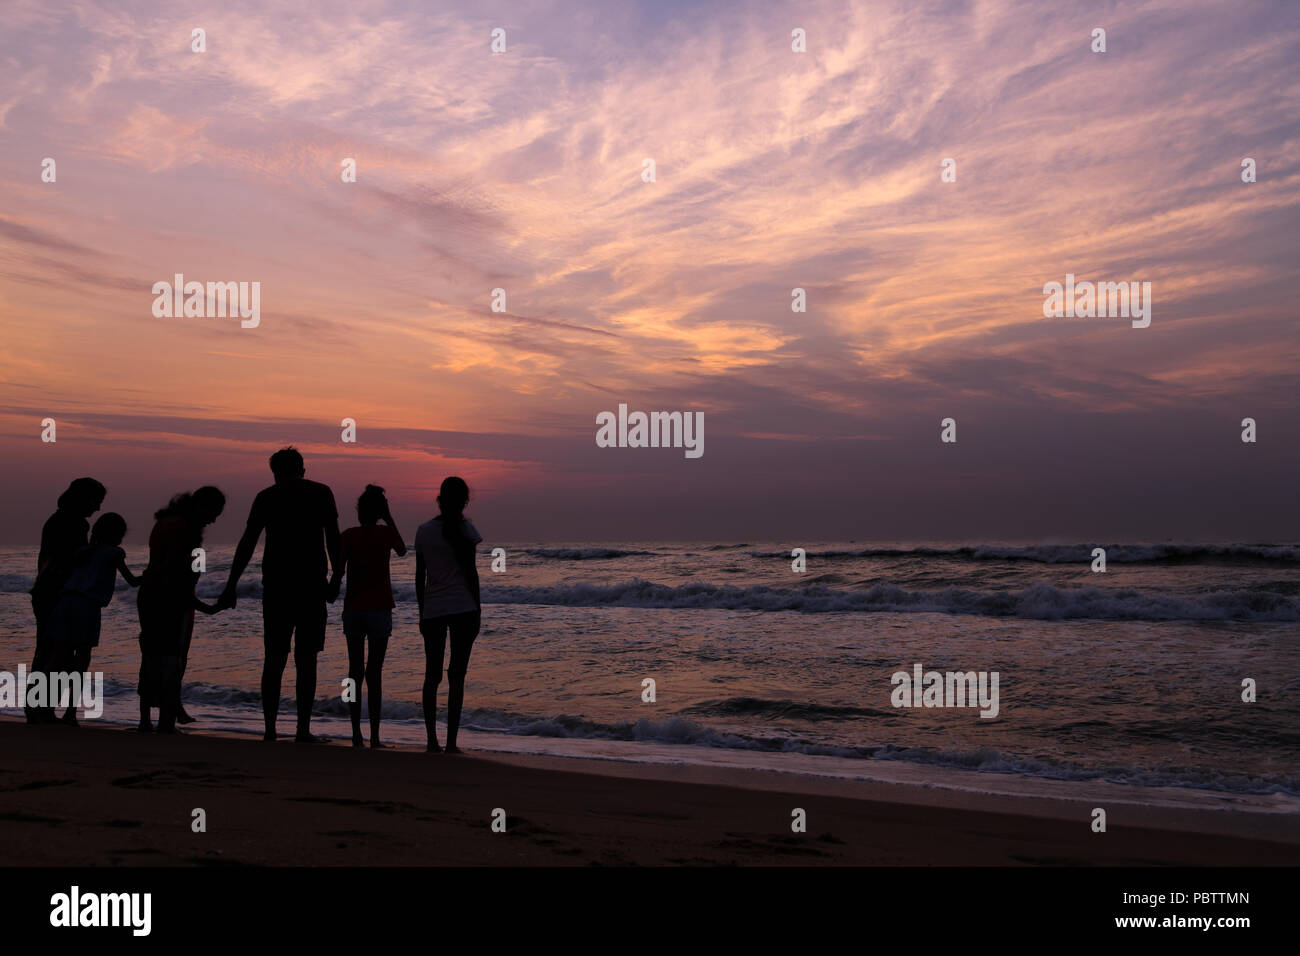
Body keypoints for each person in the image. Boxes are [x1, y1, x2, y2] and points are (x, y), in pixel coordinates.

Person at [219, 447, 340, 743]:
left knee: (274, 657)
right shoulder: (321, 492)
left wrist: (231, 583)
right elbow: (334, 537)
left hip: (277, 586)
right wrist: (338, 575)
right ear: (303, 468)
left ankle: (270, 729)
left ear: (274, 472)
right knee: (306, 659)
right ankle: (302, 730)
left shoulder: (267, 497)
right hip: (311, 585)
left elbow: (247, 542)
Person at [137, 487, 226, 734]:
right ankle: (166, 723)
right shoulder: (184, 529)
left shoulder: (164, 522)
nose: (214, 519)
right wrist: (202, 606)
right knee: (172, 661)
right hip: (171, 601)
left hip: (149, 595)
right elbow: (177, 574)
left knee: (151, 657)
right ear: (203, 507)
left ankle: (145, 721)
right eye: (214, 512)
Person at [328, 485, 406, 749]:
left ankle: (355, 734)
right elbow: (403, 549)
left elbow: (338, 571)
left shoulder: (348, 535)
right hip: (379, 608)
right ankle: (374, 736)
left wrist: (331, 590)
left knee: (354, 672)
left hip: (354, 609)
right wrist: (389, 516)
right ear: (379, 511)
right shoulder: (385, 533)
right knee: (375, 673)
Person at [47, 513, 140, 725]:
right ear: (117, 535)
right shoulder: (115, 553)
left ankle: (44, 708)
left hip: (65, 603)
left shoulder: (83, 552)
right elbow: (132, 581)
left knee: (57, 658)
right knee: (81, 660)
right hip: (87, 607)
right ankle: (70, 713)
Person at [27, 478, 106, 724]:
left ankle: (40, 708)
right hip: (58, 593)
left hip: (45, 591)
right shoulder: (74, 524)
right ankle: (42, 709)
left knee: (48, 650)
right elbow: (73, 559)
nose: (97, 509)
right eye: (96, 502)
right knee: (56, 652)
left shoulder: (56, 520)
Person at [414, 476, 482, 754]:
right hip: (463, 607)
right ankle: (452, 742)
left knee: (432, 675)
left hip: (434, 608)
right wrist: (478, 609)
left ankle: (432, 740)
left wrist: (422, 610)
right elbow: (471, 574)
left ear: (439, 499)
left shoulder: (424, 531)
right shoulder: (468, 530)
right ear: (465, 501)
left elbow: (420, 575)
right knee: (457, 675)